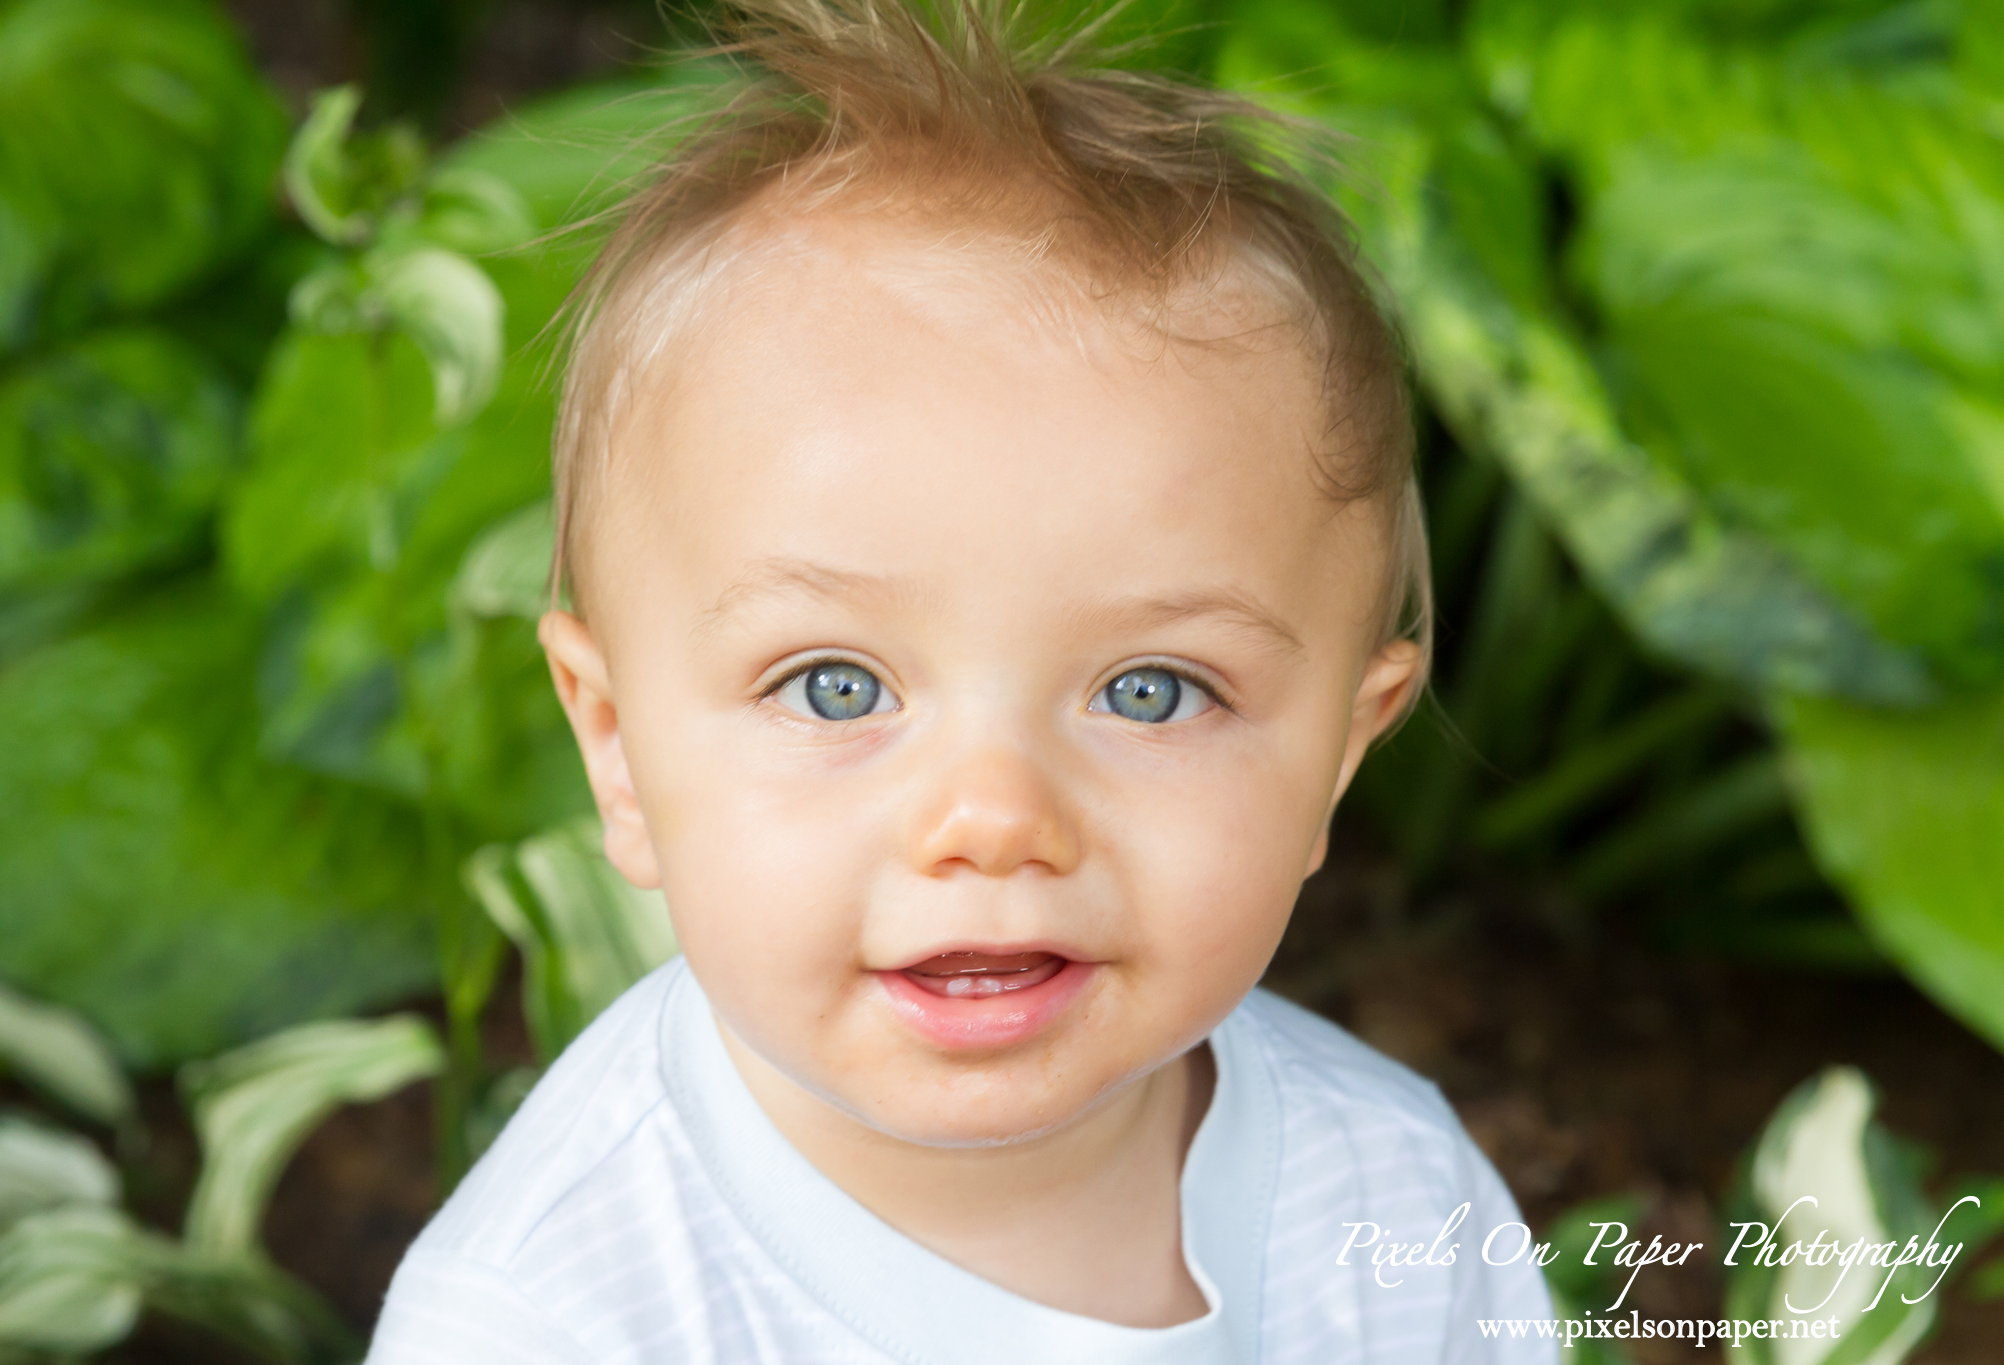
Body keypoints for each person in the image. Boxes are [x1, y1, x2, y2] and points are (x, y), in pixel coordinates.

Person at [369, 0, 1553, 1359]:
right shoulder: (554, 1318)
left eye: (1152, 689)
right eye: (834, 686)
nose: (994, 819)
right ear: (618, 745)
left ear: (1341, 752)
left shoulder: (1393, 1204)